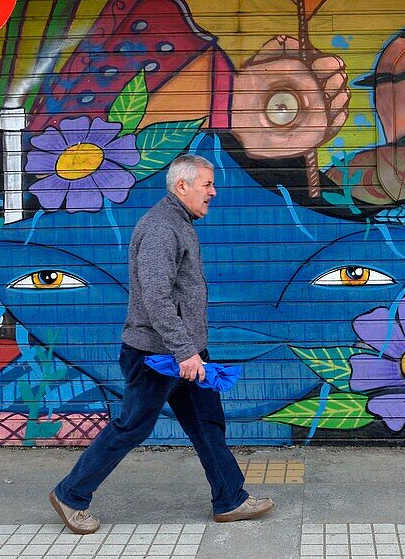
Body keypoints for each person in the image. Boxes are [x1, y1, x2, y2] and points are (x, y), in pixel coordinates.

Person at [49, 154, 274, 534]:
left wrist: (192, 349)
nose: (213, 192)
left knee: (206, 423)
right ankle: (71, 495)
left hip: (186, 351)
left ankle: (230, 498)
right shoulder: (161, 228)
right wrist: (184, 351)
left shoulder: (178, 222)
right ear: (181, 186)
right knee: (132, 426)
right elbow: (156, 297)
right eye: (207, 184)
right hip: (158, 355)